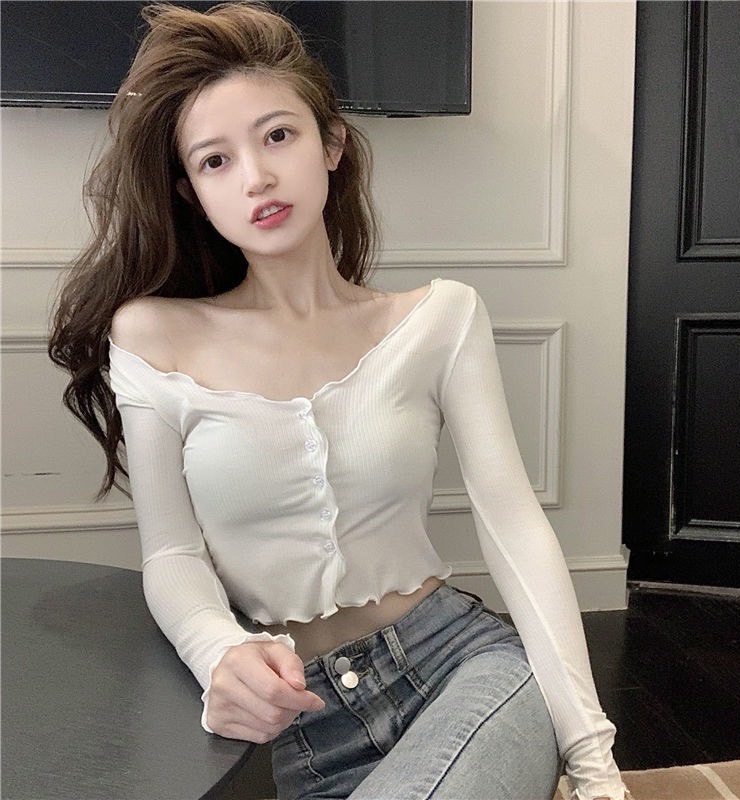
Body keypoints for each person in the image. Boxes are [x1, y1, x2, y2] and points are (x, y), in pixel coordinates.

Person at [49, 4, 625, 799]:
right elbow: (173, 555)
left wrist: (594, 765)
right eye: (215, 161)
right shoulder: (153, 335)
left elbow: (514, 527)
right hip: (295, 717)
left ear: (331, 144)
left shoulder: (439, 318)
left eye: (278, 136)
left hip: (463, 669)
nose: (255, 177)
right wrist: (220, 652)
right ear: (192, 194)